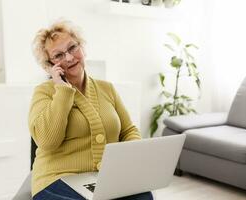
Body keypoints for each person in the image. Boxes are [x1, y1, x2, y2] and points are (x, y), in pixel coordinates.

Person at [29, 20, 153, 200]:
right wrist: (63, 90)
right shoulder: (44, 92)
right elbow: (47, 141)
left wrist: (128, 158)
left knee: (144, 196)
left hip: (103, 179)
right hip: (56, 181)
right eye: (59, 55)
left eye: (72, 48)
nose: (70, 58)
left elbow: (128, 131)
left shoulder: (107, 88)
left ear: (82, 48)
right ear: (49, 65)